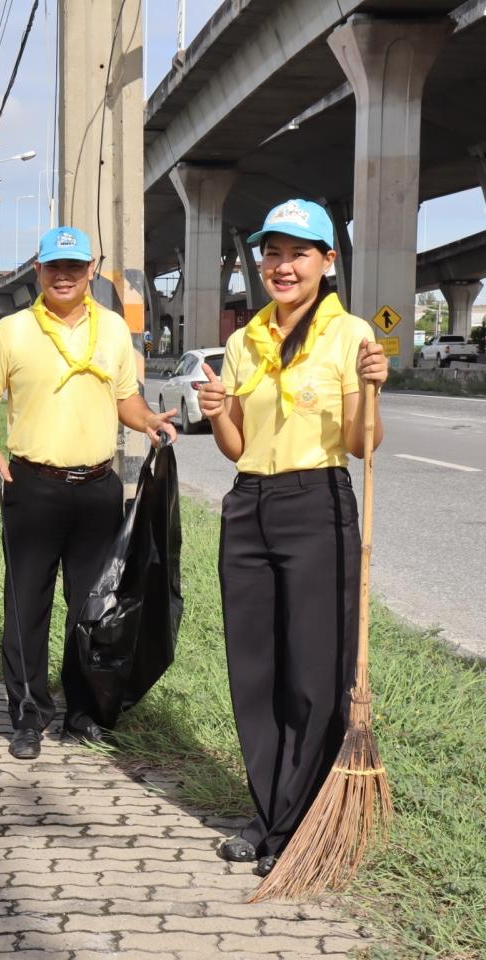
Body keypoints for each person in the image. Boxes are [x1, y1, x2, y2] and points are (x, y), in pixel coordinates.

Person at [196, 198, 388, 878]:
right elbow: (237, 446)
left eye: (298, 253)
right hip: (249, 505)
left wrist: (371, 390)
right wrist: (217, 413)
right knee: (255, 672)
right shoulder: (246, 339)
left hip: (318, 502)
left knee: (313, 672)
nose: (282, 266)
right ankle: (269, 812)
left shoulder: (348, 335)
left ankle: (302, 821)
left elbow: (364, 443)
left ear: (327, 262)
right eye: (272, 253)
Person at [0, 226, 177, 761]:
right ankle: (28, 715)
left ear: (91, 272)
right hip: (31, 486)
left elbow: (125, 398)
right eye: (54, 267)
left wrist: (149, 420)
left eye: (74, 267)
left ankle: (83, 712)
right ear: (38, 271)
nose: (64, 276)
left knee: (92, 608)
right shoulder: (10, 331)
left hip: (98, 491)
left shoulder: (112, 331)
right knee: (26, 607)